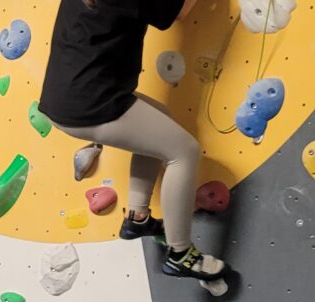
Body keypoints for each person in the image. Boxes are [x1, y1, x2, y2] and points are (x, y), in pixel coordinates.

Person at [39, 0, 230, 284]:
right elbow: (179, 12)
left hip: (69, 96)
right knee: (183, 151)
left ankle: (137, 218)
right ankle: (181, 254)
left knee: (160, 121)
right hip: (90, 101)